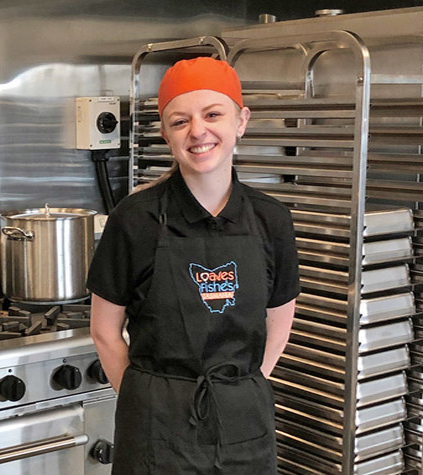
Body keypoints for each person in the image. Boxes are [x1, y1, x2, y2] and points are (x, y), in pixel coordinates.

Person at [87, 56, 300, 474]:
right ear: (166, 134)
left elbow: (279, 321)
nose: (198, 131)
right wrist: (150, 398)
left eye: (213, 114)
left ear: (241, 121)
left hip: (245, 421)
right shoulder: (135, 218)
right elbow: (104, 331)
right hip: (154, 422)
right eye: (180, 121)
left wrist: (238, 390)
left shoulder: (271, 219)